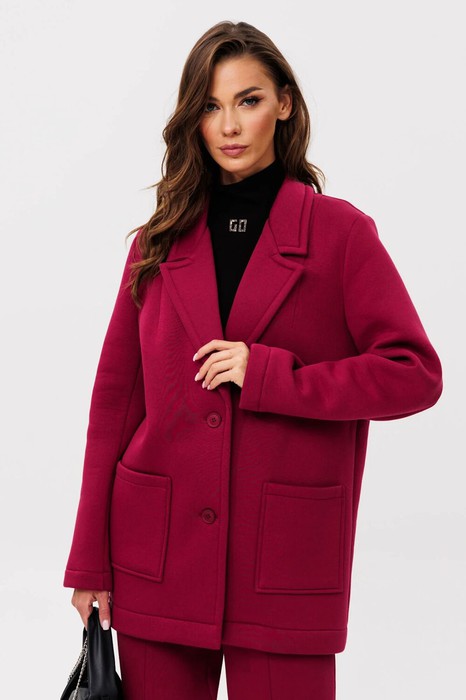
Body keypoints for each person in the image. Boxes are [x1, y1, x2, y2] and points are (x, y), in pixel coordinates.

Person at [63, 20, 443, 700]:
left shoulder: (340, 235)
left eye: (249, 100)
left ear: (285, 104)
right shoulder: (158, 241)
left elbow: (413, 373)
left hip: (285, 560)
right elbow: (115, 402)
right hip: (159, 552)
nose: (229, 125)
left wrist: (271, 376)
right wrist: (89, 557)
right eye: (211, 106)